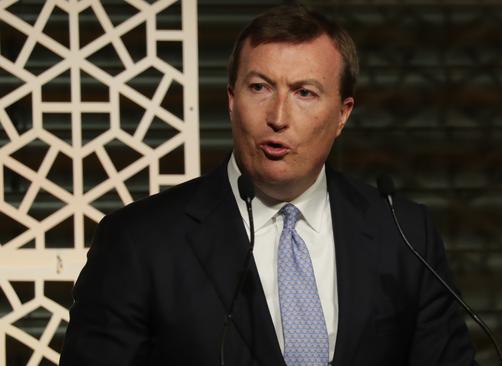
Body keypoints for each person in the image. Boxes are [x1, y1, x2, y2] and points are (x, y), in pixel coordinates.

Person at [60, 4, 477, 365]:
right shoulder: (139, 242)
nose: (278, 116)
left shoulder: (403, 235)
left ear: (343, 114)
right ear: (230, 98)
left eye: (305, 93)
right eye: (259, 87)